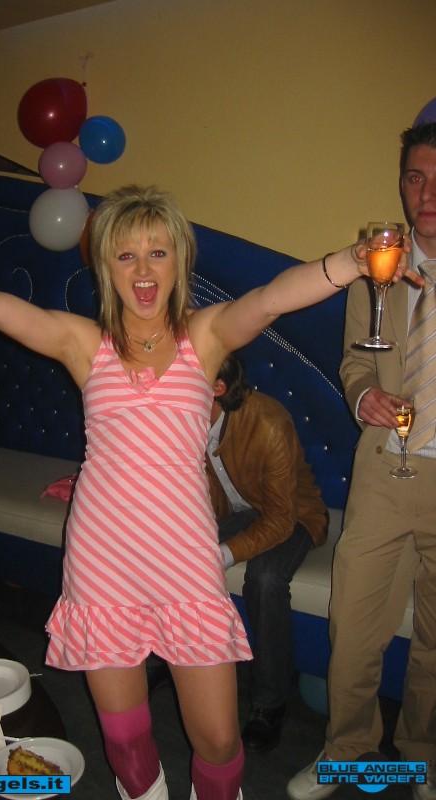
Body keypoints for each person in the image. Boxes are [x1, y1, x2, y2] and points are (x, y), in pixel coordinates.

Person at [0, 184, 415, 800]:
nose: (143, 270)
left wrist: (352, 262)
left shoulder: (205, 336)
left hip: (185, 562)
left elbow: (272, 297)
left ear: (179, 262)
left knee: (219, 741)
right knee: (126, 740)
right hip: (102, 563)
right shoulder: (85, 344)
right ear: (106, 267)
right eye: (126, 254)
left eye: (158, 253)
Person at [287, 123, 436, 800]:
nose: (426, 194)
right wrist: (362, 394)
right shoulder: (377, 266)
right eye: (415, 178)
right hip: (384, 469)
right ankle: (346, 750)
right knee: (352, 627)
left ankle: (423, 755)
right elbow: (355, 361)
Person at [207, 352, 328, 753]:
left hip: (294, 514)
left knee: (266, 578)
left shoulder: (269, 421)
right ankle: (165, 661)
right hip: (240, 512)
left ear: (217, 389)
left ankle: (269, 703)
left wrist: (223, 554)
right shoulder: (183, 421)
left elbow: (279, 518)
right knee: (172, 554)